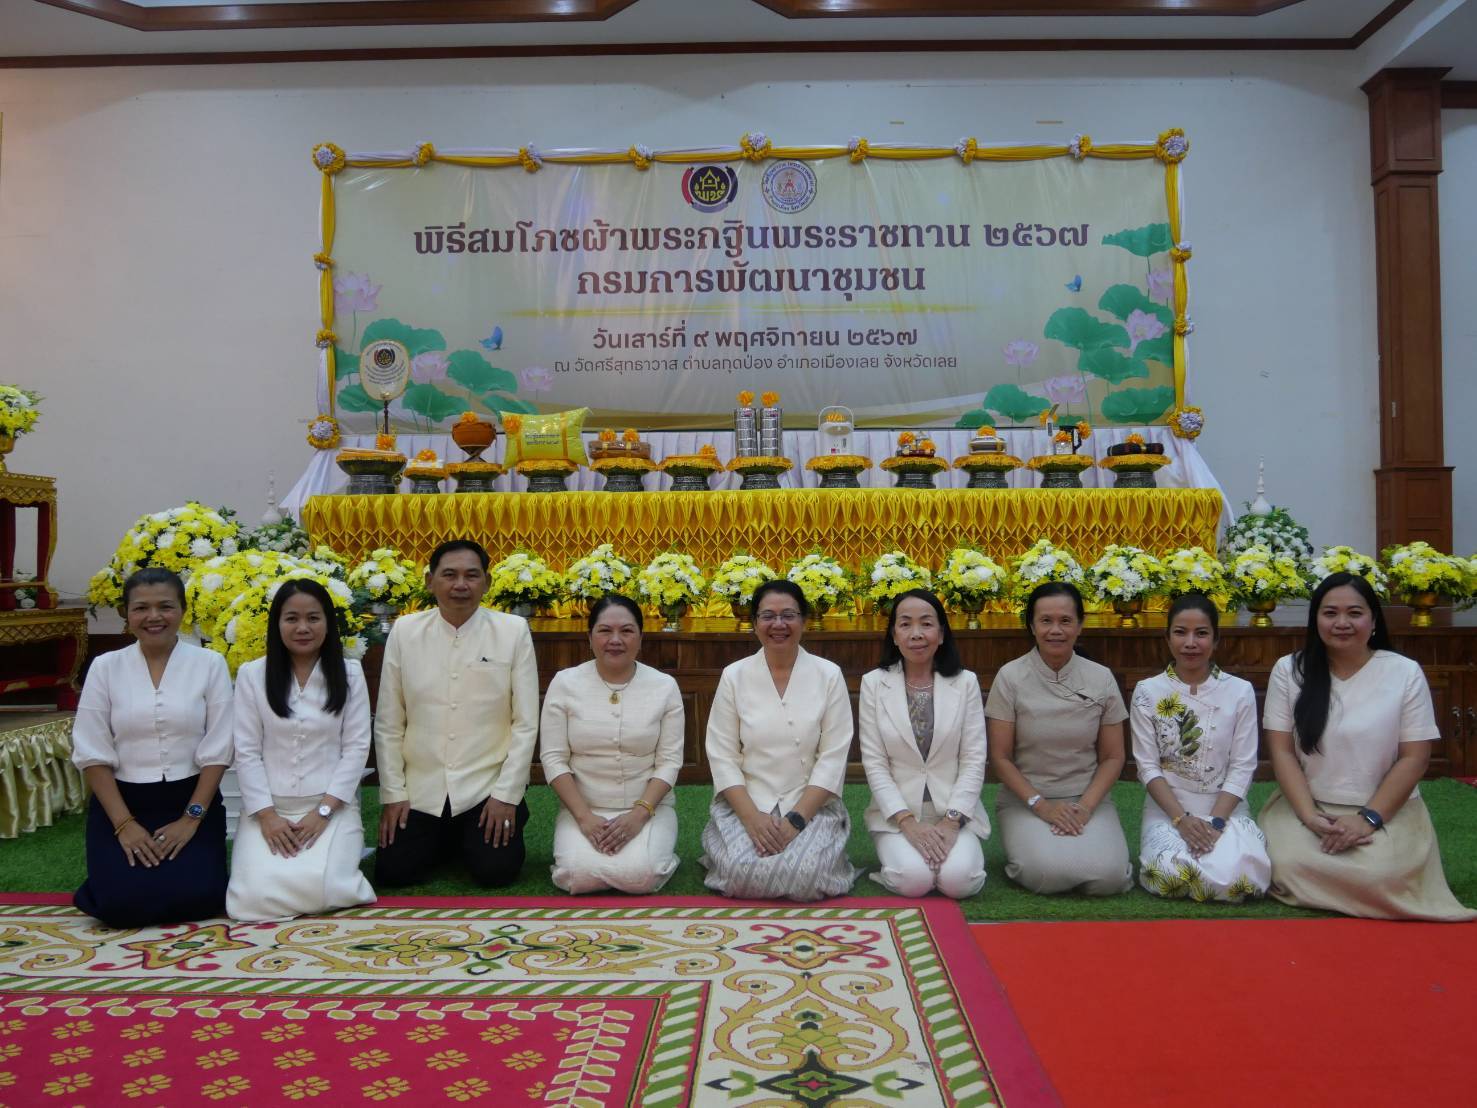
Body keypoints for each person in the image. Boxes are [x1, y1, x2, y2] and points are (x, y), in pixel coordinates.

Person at [1259, 572, 1475, 921]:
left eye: (1354, 613)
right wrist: (1310, 816)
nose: (1342, 622)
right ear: (1315, 620)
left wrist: (1368, 819)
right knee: (1283, 862)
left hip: (1386, 809)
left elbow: (1415, 758)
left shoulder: (1404, 673)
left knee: (1381, 872)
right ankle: (1347, 886)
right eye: (1330, 613)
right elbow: (1281, 751)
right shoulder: (1290, 670)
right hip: (1308, 807)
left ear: (1373, 620)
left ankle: (1343, 884)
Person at [70, 568, 232, 928]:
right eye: (141, 608)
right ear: (126, 614)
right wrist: (124, 824)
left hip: (191, 799)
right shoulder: (105, 667)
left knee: (201, 898)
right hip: (122, 804)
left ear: (183, 611)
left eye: (165, 606)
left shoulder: (209, 664)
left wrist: (190, 820)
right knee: (120, 908)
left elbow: (219, 748)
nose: (154, 617)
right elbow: (91, 751)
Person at [374, 539, 540, 887]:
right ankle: (446, 839)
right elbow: (389, 722)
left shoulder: (512, 632)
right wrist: (394, 795)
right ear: (429, 580)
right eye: (449, 575)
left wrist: (506, 796)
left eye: (471, 575)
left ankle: (468, 836)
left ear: (487, 583)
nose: (460, 585)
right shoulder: (405, 632)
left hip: (485, 786)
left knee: (496, 872)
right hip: (422, 787)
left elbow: (525, 723)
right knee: (394, 872)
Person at [701, 579, 859, 901]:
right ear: (755, 623)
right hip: (748, 800)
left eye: (788, 615)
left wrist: (796, 821)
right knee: (739, 872)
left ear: (804, 621)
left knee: (806, 875)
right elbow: (721, 753)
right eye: (768, 616)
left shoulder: (829, 675)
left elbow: (833, 756)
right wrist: (751, 817)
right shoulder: (735, 675)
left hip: (809, 802)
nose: (778, 624)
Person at [227, 578, 375, 920]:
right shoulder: (253, 675)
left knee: (329, 885)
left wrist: (323, 812)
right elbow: (246, 751)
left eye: (313, 618)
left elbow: (356, 748)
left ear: (328, 623)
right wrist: (267, 817)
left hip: (329, 809)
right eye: (292, 618)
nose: (303, 627)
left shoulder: (349, 673)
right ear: (277, 623)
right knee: (250, 897)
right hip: (268, 811)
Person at [985, 581, 1133, 896]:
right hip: (1026, 800)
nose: (1056, 630)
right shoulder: (1010, 678)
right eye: (1046, 621)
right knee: (1045, 874)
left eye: (1065, 621)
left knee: (1111, 878)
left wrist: (1085, 807)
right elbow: (1000, 757)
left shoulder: (1101, 678)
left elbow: (1113, 757)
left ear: (1080, 626)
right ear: (1031, 625)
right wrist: (1042, 806)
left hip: (1086, 797)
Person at [1130, 592, 1270, 902]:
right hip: (1169, 809)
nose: (1190, 642)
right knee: (1169, 873)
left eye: (1201, 633)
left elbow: (1243, 765)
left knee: (1246, 876)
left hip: (1227, 808)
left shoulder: (1240, 691)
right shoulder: (1147, 692)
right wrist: (1182, 821)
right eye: (1180, 632)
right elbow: (1147, 767)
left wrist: (1217, 822)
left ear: (1216, 640)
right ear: (1167, 639)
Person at [539, 595, 683, 894]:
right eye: (605, 631)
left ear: (641, 638)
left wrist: (638, 815)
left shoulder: (664, 686)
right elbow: (553, 758)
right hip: (584, 807)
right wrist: (584, 817)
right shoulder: (565, 683)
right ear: (589, 637)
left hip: (647, 807)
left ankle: (653, 852)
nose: (615, 640)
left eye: (627, 631)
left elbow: (669, 761)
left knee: (641, 876)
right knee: (574, 876)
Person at [859, 588, 989, 898]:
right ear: (894, 635)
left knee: (960, 882)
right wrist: (907, 823)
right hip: (898, 814)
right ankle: (899, 864)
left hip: (953, 810)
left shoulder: (965, 682)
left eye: (926, 624)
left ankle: (947, 858)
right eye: (905, 624)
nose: (916, 634)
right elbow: (875, 763)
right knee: (912, 881)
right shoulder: (874, 684)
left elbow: (973, 759)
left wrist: (951, 821)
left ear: (941, 634)